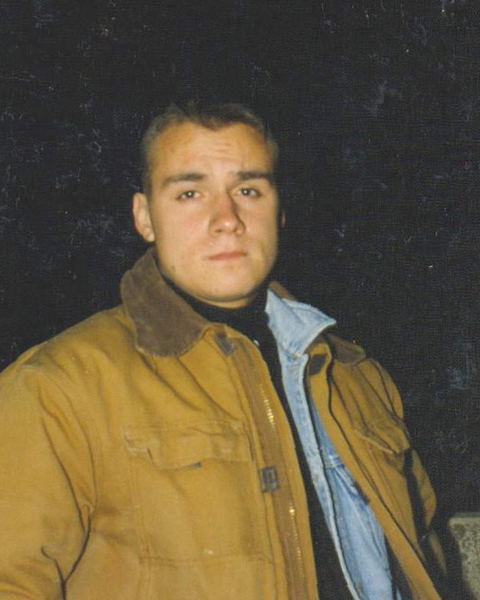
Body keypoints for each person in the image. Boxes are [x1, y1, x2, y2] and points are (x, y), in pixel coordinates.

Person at [0, 102, 446, 599]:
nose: (227, 219)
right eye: (190, 193)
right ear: (144, 217)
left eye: (248, 190)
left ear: (279, 210)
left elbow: (423, 555)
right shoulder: (57, 386)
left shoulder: (355, 374)